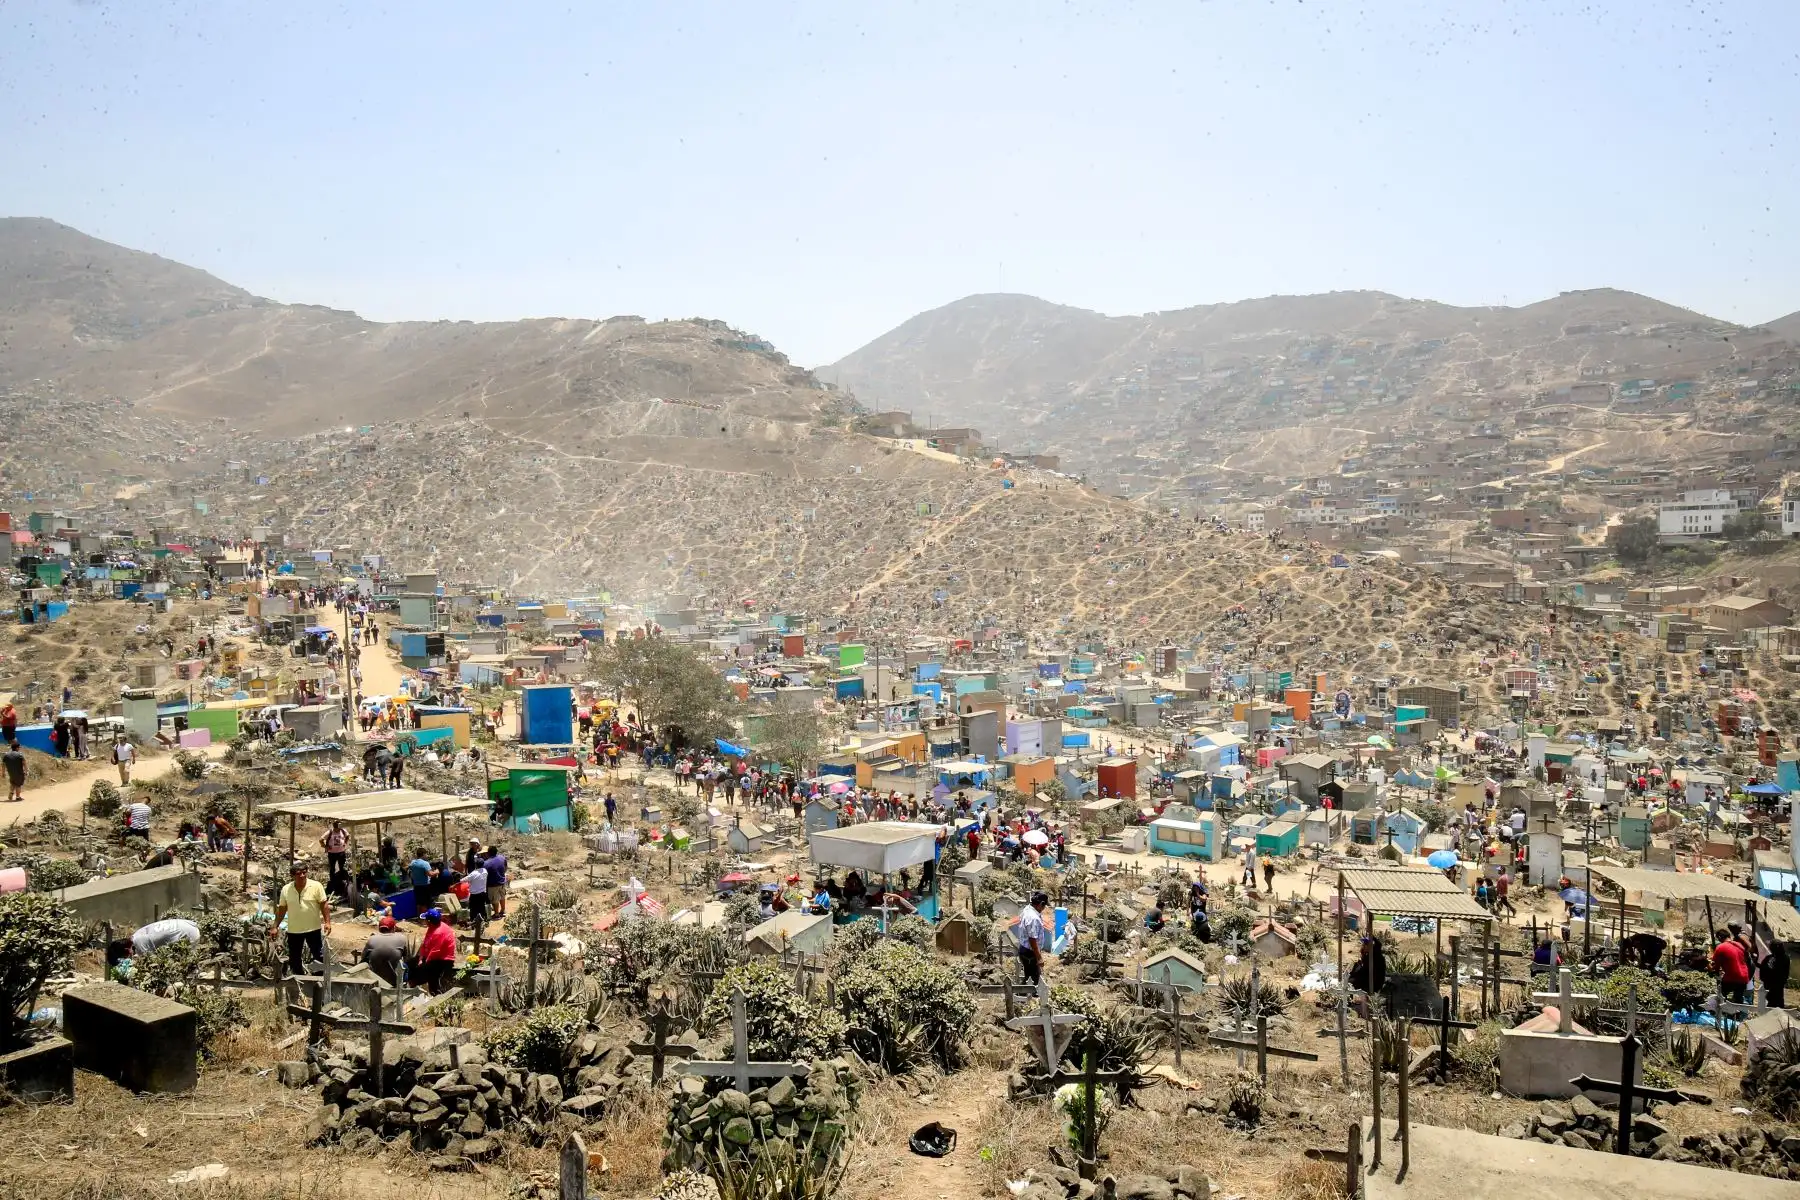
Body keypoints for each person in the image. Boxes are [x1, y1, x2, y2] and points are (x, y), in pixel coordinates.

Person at [273, 860, 331, 977]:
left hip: (313, 928)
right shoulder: (286, 889)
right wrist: (275, 926)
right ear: (293, 875)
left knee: (319, 956)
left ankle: (320, 981)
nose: (302, 876)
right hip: (294, 930)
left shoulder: (316, 886)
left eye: (304, 872)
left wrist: (327, 922)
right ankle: (299, 981)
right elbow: (282, 909)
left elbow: (324, 905)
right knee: (294, 958)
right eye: (299, 873)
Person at [106, 917, 203, 969]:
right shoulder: (137, 935)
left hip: (188, 933)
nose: (127, 959)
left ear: (126, 950)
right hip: (185, 924)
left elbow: (151, 964)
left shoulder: (140, 944)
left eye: (124, 957)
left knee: (183, 964)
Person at [413, 908, 457, 993]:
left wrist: (424, 964)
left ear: (429, 921)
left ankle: (434, 993)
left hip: (443, 959)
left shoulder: (439, 932)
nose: (424, 921)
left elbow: (435, 951)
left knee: (429, 975)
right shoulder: (432, 927)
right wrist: (420, 958)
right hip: (433, 956)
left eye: (426, 919)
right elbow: (425, 943)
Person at [361, 915, 410, 986]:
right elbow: (405, 956)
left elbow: (363, 957)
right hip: (395, 980)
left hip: (376, 980)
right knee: (405, 966)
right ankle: (404, 985)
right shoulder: (401, 938)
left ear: (379, 929)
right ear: (393, 928)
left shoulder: (372, 939)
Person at [1016, 891, 1050, 985]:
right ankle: (1023, 996)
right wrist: (1039, 957)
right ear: (1040, 904)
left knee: (1029, 976)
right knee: (1032, 979)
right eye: (1044, 906)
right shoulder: (1033, 918)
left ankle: (1023, 995)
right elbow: (1032, 939)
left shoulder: (1027, 909)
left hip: (1025, 949)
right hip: (1030, 952)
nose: (1044, 909)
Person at [1713, 926, 1752, 1004]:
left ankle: (1721, 1011)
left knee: (1721, 995)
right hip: (1744, 976)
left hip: (1732, 977)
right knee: (1738, 999)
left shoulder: (1720, 947)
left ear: (1720, 937)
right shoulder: (1739, 945)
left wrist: (1714, 970)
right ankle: (1738, 1014)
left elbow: (1716, 966)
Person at [1348, 936, 1387, 1014]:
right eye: (1364, 944)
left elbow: (1366, 971)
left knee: (1351, 982)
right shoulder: (1367, 955)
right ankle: (1349, 1000)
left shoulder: (1375, 957)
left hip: (1373, 982)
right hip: (1367, 978)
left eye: (1366, 944)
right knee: (1351, 977)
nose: (1363, 946)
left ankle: (1350, 1002)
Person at [1757, 926, 1790, 1009]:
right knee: (1769, 1000)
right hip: (1768, 985)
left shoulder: (1783, 958)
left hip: (1776, 985)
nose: (1769, 948)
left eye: (1771, 946)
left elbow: (1776, 972)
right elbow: (1765, 967)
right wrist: (1756, 963)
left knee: (1776, 1002)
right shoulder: (1771, 957)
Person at [464, 855, 489, 927]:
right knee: (482, 907)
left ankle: (473, 923)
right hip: (482, 893)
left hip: (474, 895)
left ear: (476, 864)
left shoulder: (473, 873)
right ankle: (485, 921)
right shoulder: (485, 871)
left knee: (473, 909)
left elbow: (464, 880)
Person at [484, 846, 508, 918]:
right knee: (502, 896)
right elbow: (506, 867)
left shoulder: (486, 863)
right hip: (502, 881)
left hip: (492, 884)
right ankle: (503, 910)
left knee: (495, 899)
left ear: (488, 853)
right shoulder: (502, 858)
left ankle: (496, 914)